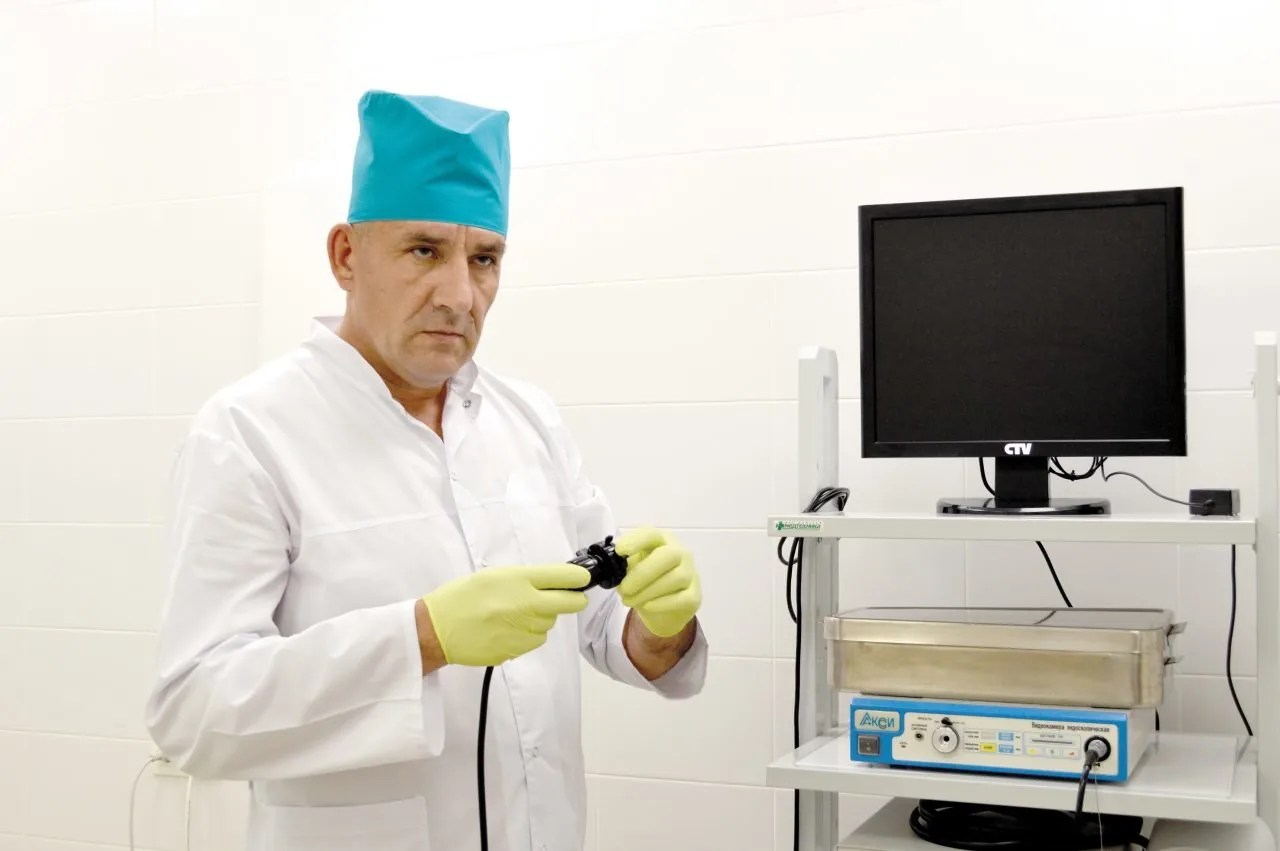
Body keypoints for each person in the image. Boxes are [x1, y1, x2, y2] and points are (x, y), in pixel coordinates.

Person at [144, 90, 708, 851]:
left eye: (484, 259)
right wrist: (420, 638)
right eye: (424, 251)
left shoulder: (529, 420)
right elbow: (192, 713)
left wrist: (659, 623)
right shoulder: (250, 432)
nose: (459, 296)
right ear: (346, 256)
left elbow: (604, 628)